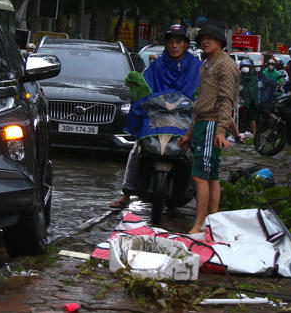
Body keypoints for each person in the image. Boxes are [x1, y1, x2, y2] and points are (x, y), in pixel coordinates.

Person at [109, 24, 201, 209]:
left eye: (178, 42)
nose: (174, 46)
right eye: (171, 42)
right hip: (157, 116)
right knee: (138, 147)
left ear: (185, 44)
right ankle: (126, 193)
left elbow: (202, 92)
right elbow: (145, 89)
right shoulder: (156, 66)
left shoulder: (197, 67)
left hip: (185, 119)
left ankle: (200, 197)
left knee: (199, 149)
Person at [178, 21, 239, 233]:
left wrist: (222, 130)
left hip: (213, 125)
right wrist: (189, 133)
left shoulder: (226, 65)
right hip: (203, 124)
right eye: (202, 39)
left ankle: (199, 225)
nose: (205, 42)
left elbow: (226, 101)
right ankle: (212, 223)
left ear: (220, 42)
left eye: (210, 38)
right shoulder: (206, 64)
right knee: (211, 175)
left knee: (200, 176)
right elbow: (202, 102)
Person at [238, 59, 259, 135]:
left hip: (251, 102)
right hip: (240, 102)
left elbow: (254, 90)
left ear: (250, 68)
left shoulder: (254, 78)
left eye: (246, 66)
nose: (245, 68)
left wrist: (244, 90)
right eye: (243, 66)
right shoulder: (239, 77)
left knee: (251, 117)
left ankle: (254, 133)